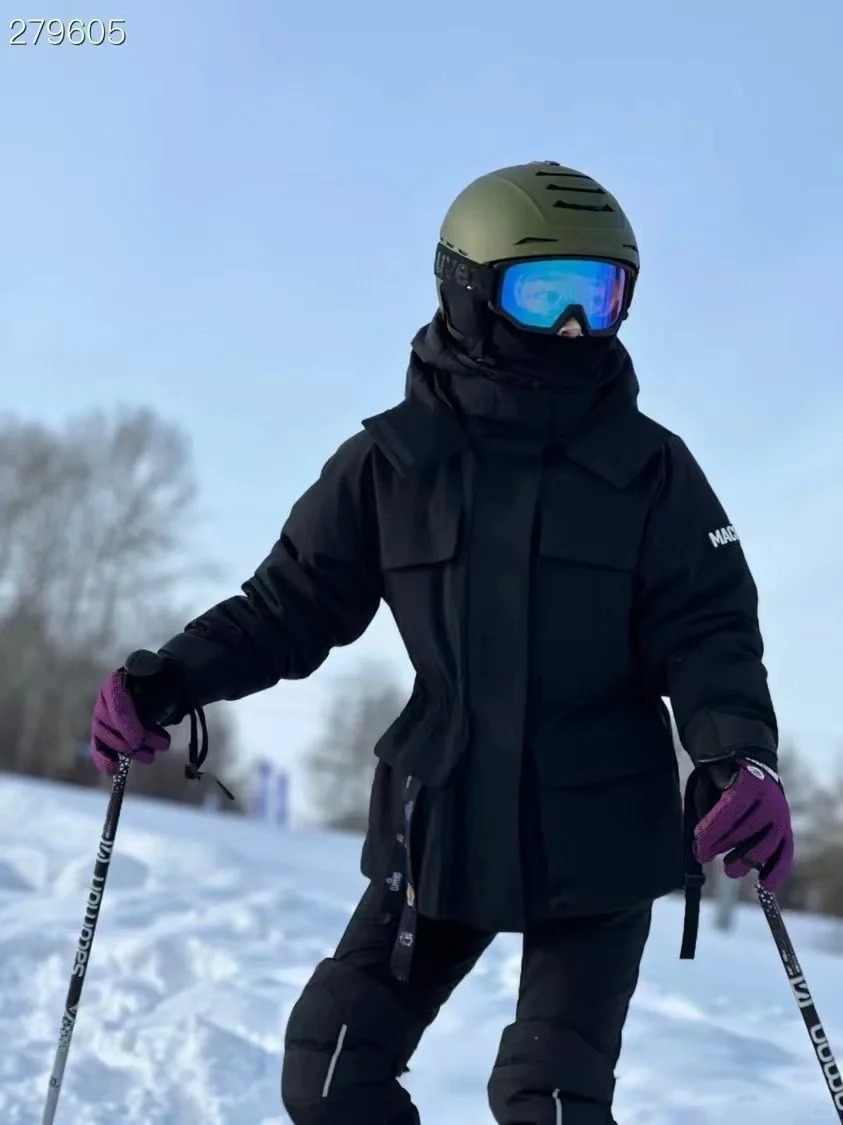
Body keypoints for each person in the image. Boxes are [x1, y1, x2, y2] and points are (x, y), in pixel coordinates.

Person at [89, 160, 795, 1124]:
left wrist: (737, 753)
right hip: (444, 819)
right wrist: (171, 678)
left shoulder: (651, 471)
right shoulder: (389, 466)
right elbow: (287, 605)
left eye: (598, 295)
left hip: (600, 833)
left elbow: (710, 631)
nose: (575, 326)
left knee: (547, 1097)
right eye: (545, 294)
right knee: (330, 1070)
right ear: (466, 289)